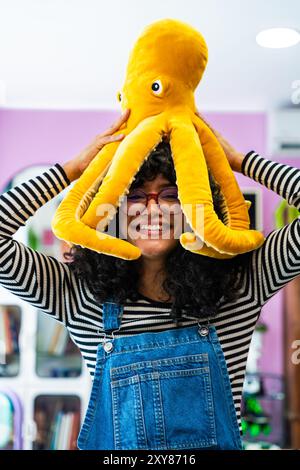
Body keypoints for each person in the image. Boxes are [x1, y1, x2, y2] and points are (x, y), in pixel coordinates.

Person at [0, 109, 299, 450]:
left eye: (170, 195)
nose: (153, 209)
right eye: (135, 196)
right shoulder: (77, 295)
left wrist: (237, 161)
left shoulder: (240, 284)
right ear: (111, 207)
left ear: (194, 207)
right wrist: (74, 170)